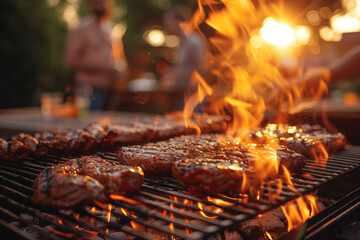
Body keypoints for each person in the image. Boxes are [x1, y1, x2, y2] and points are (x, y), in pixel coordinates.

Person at [65, 0, 128, 111]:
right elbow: (70, 60)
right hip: (90, 91)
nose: (102, 5)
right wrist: (103, 67)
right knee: (88, 126)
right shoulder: (81, 29)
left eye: (104, 2)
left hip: (111, 91)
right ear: (89, 4)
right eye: (97, 2)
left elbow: (119, 58)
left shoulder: (112, 29)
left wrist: (122, 71)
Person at [160, 6, 207, 91]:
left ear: (179, 21)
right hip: (185, 94)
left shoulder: (193, 41)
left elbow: (201, 69)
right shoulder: (183, 41)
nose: (166, 25)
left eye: (169, 21)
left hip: (194, 95)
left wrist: (175, 73)